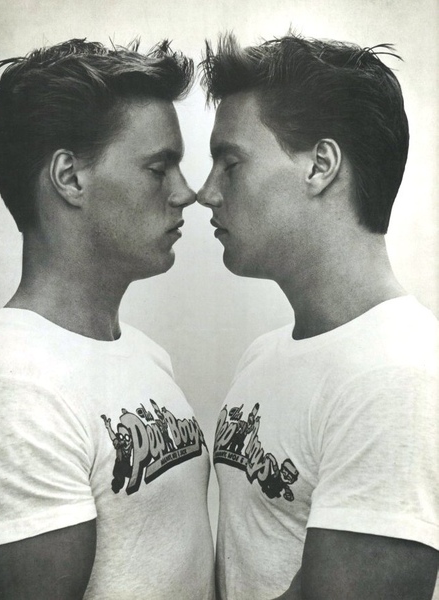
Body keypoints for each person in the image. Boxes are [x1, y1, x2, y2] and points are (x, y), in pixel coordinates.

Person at [0, 39, 215, 599]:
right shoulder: (16, 383)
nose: (186, 193)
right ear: (70, 177)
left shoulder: (143, 353)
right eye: (158, 168)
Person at [198, 33, 438, 599]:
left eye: (230, 163)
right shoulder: (264, 355)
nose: (206, 193)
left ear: (320, 166)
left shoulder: (397, 376)